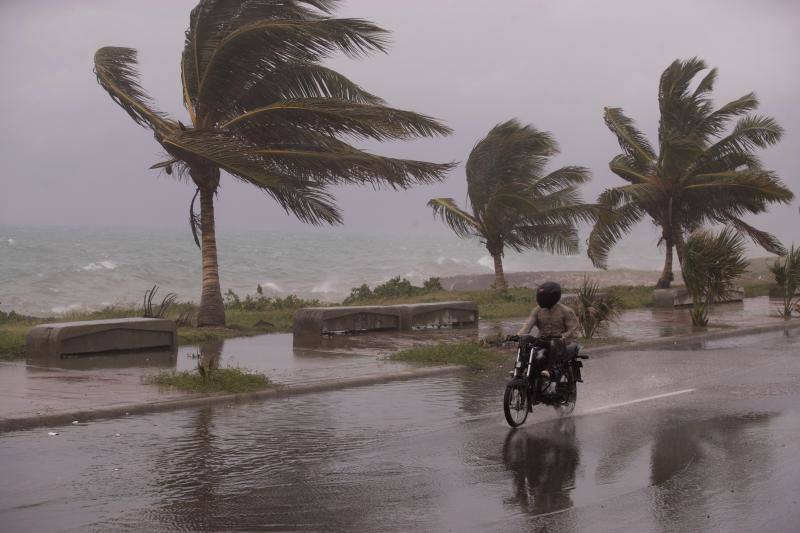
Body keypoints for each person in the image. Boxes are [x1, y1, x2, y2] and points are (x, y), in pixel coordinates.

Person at [516, 281, 579, 380]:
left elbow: (573, 329)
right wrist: (519, 335)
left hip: (561, 342)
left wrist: (563, 337)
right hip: (543, 340)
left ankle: (548, 370)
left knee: (554, 342)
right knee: (524, 339)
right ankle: (520, 368)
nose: (541, 299)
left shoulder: (565, 311)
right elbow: (528, 325)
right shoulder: (537, 310)